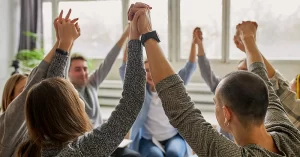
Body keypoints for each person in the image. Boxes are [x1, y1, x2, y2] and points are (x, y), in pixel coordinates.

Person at [128, 3, 300, 156]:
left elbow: (183, 112)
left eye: (215, 103)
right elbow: (263, 78)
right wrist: (248, 39)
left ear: (226, 114)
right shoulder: (289, 134)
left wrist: (147, 33)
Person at [16, 7, 146, 157]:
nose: (78, 97)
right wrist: (136, 37)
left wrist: (64, 44)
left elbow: (53, 87)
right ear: (66, 109)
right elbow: (132, 100)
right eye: (73, 94)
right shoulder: (81, 150)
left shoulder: (39, 147)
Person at [0, 9, 79, 156]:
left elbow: (58, 87)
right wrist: (64, 44)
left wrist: (64, 42)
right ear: (10, 99)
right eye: (24, 91)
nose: (34, 94)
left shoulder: (36, 129)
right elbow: (50, 86)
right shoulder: (6, 126)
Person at [119, 25, 196, 157]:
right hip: (148, 139)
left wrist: (195, 43)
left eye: (152, 69)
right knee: (155, 156)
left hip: (172, 136)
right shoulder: (139, 90)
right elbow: (125, 67)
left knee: (174, 153)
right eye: (146, 70)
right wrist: (130, 35)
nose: (149, 74)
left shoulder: (171, 87)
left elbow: (189, 68)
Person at [68, 24, 140, 157]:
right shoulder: (67, 92)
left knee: (133, 155)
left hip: (103, 138)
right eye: (78, 69)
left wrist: (126, 34)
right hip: (86, 145)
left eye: (85, 68)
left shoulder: (91, 83)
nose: (83, 73)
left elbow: (109, 61)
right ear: (68, 72)